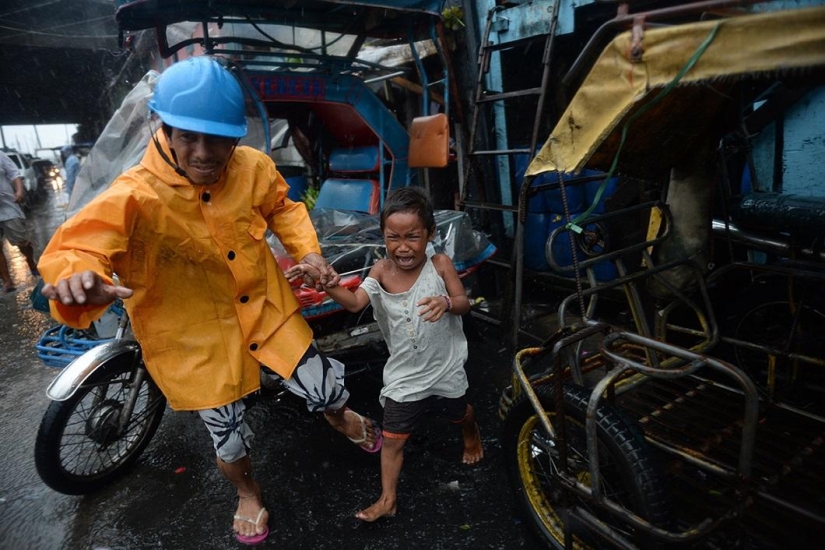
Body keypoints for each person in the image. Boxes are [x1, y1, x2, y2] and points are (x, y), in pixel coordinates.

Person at [37, 56, 381, 546]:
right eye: (188, 136)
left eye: (218, 138)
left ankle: (340, 416)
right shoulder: (135, 192)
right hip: (192, 335)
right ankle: (247, 493)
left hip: (266, 311)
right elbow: (80, 245)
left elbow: (284, 207)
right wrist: (78, 277)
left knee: (325, 387)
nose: (203, 152)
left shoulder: (252, 168)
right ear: (165, 128)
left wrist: (309, 251)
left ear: (237, 137)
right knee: (229, 436)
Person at [287, 186, 484, 523]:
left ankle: (470, 430)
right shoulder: (380, 271)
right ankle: (387, 498)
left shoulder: (440, 264)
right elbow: (353, 303)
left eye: (413, 236)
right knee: (392, 440)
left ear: (430, 234)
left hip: (444, 366)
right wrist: (325, 281)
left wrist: (447, 303)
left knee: (458, 412)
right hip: (406, 373)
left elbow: (464, 302)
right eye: (394, 237)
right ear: (383, 236)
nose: (403, 247)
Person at [0, 150, 40, 292]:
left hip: (8, 207)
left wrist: (19, 191)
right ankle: (7, 281)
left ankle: (30, 261)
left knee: (22, 242)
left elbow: (14, 174)